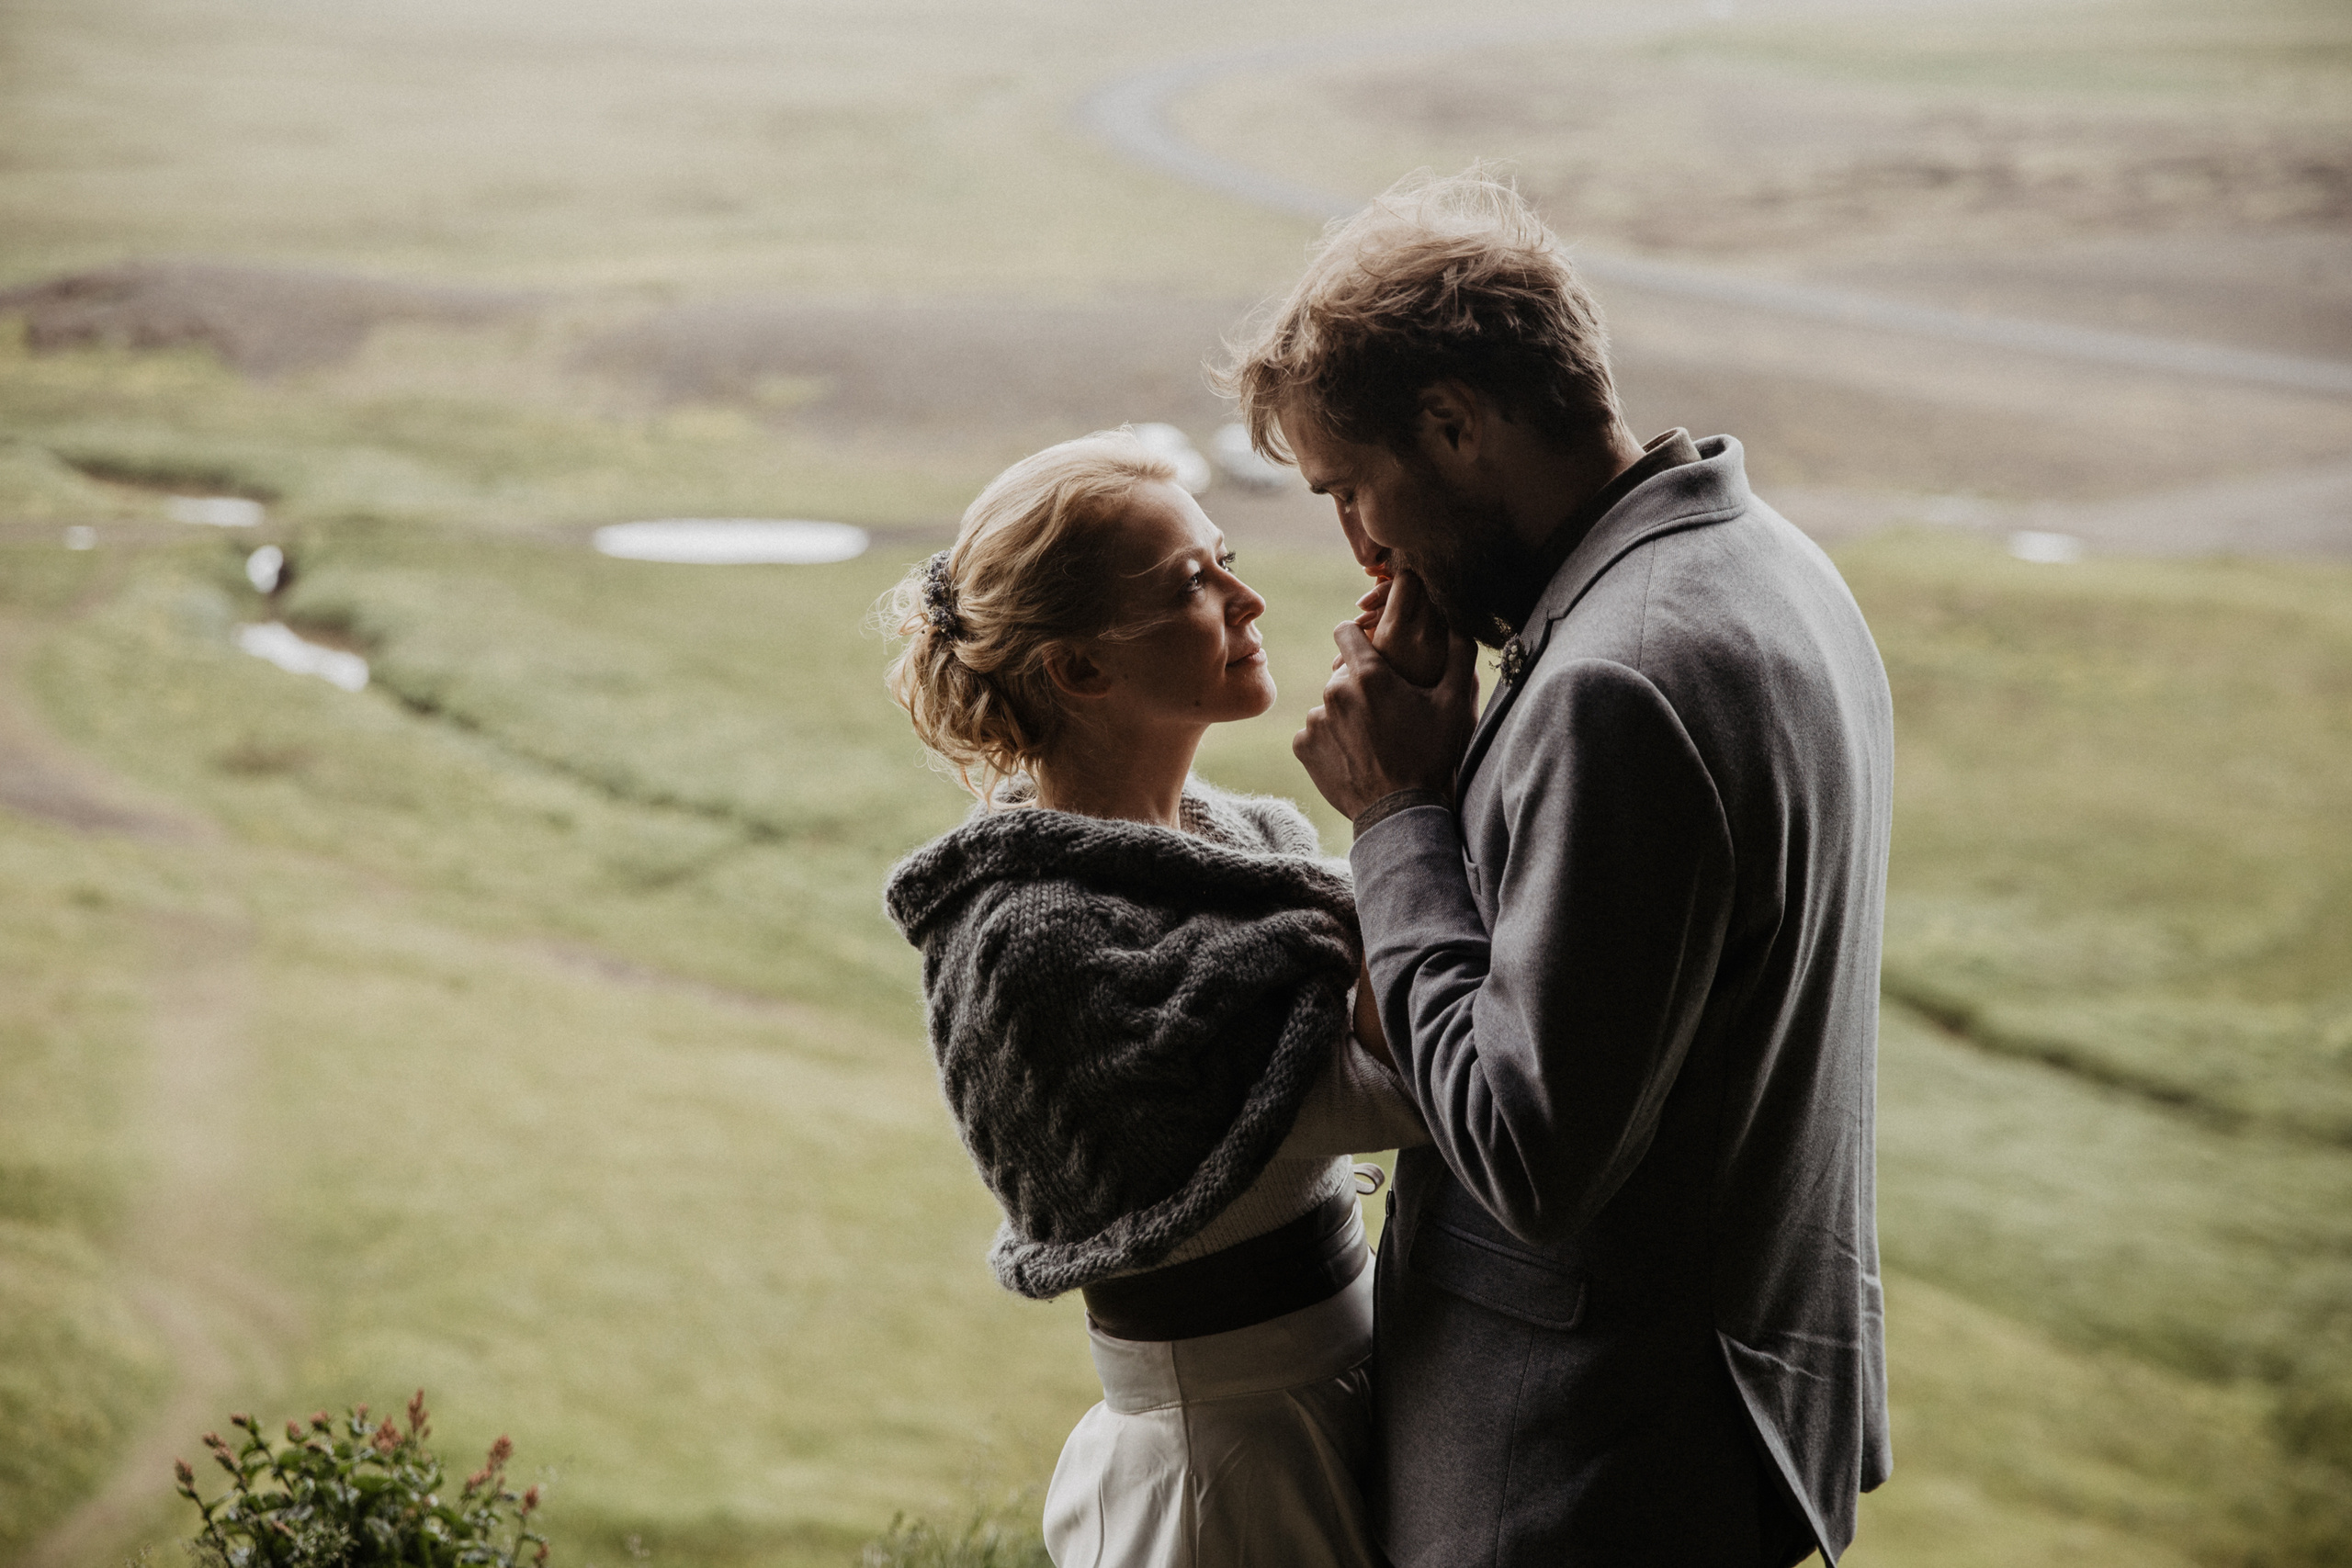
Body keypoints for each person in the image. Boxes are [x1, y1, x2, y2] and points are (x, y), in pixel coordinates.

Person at [1218, 171, 1895, 1565]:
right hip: (1726, 1437)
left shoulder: (1616, 683)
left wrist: (1397, 812)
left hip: (1581, 1478)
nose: (1361, 545)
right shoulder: (1770, 560)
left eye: (1353, 489)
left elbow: (1529, 1151)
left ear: (1455, 424)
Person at [877, 430, 1428, 1568]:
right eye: (1191, 584)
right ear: (1080, 671)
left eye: (1227, 559)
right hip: (1233, 1466)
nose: (1246, 597)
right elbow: (1405, 1086)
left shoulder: (1250, 838)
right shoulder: (1039, 944)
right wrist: (1397, 808)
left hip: (1353, 1395)